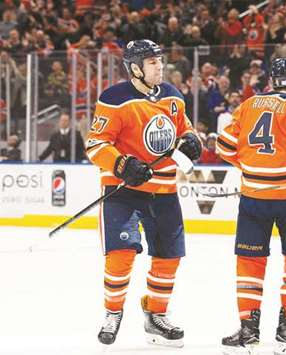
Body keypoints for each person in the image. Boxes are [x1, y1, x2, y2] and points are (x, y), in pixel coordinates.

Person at [86, 40, 202, 347]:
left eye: (160, 61)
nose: (160, 66)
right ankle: (113, 313)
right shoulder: (115, 99)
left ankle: (156, 315)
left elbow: (185, 130)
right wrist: (122, 163)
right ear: (135, 68)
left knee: (169, 256)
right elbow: (96, 144)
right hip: (123, 192)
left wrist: (192, 141)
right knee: (121, 255)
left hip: (164, 190)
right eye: (152, 63)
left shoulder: (174, 97)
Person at [217, 57, 286, 354]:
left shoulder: (249, 104)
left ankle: (248, 327)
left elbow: (224, 147)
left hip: (254, 197)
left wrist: (254, 167)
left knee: (249, 264)